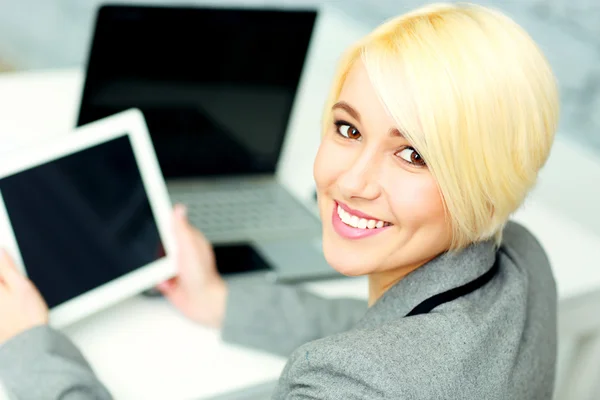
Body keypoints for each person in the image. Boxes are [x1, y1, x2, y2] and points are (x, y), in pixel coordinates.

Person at [0, 2, 559, 399]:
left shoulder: (351, 386)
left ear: (487, 186)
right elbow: (389, 333)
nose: (351, 181)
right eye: (348, 129)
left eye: (413, 154)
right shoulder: (523, 263)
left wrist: (30, 346)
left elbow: (372, 368)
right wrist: (224, 302)